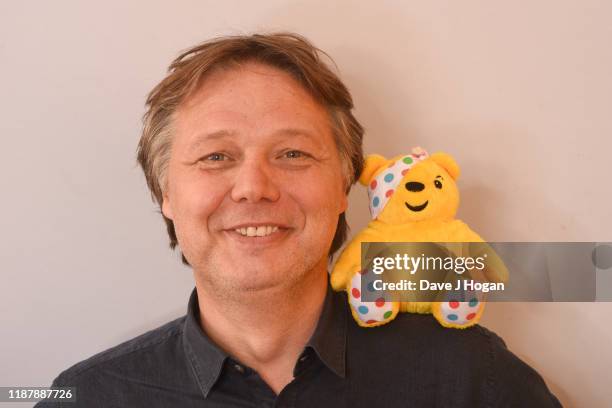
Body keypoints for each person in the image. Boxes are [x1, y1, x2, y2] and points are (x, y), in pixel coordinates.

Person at [37, 32, 562, 407]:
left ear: (343, 187)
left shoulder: (472, 381)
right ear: (165, 193)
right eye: (215, 156)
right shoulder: (84, 397)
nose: (254, 188)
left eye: (292, 154)